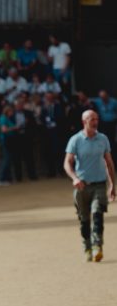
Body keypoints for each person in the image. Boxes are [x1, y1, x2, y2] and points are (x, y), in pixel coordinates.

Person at [63, 110, 116, 262]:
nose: (95, 121)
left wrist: (112, 184)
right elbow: (67, 162)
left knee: (98, 214)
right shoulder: (75, 140)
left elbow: (109, 163)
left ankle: (97, 246)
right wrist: (74, 178)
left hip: (99, 184)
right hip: (82, 186)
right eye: (92, 119)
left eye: (96, 119)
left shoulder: (103, 139)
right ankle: (87, 245)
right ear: (84, 121)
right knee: (84, 220)